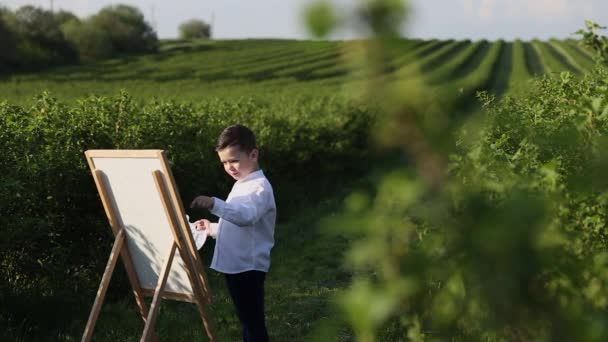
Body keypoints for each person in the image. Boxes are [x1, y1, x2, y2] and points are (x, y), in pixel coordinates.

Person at [190, 124, 276, 342]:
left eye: (234, 160)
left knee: (252, 322)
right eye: (224, 163)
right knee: (247, 318)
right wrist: (211, 228)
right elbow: (238, 226)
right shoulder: (242, 183)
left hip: (248, 265)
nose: (230, 167)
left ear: (253, 154)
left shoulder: (259, 188)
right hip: (237, 265)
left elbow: (245, 216)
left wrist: (213, 204)